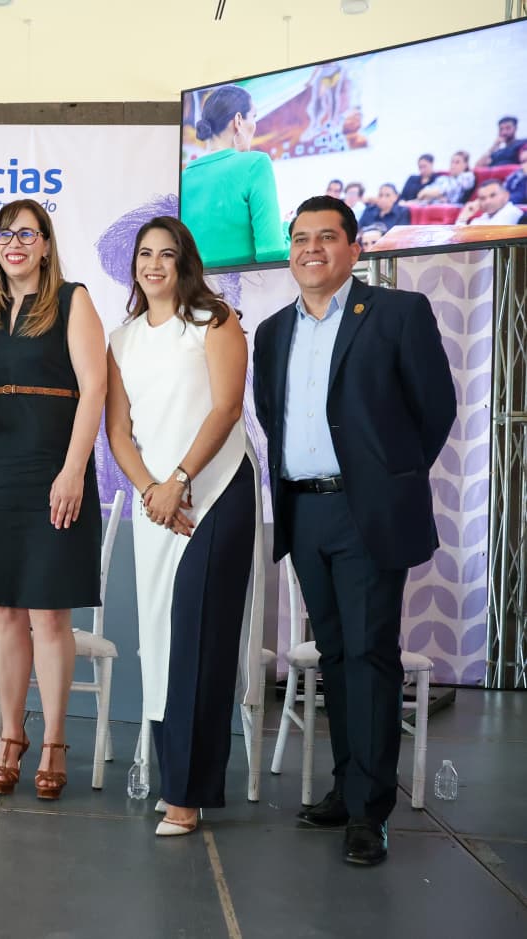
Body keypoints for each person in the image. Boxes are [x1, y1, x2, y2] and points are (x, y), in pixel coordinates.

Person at [253, 195, 456, 866]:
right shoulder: (272, 331)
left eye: (326, 237)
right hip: (304, 509)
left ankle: (370, 812)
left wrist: (389, 479)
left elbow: (434, 409)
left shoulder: (397, 313)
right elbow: (271, 413)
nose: (311, 249)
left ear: (354, 248)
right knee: (335, 654)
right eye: (300, 238)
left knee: (370, 654)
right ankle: (347, 787)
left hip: (366, 511)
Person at [106, 217, 260, 836]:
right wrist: (151, 489)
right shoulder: (121, 340)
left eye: (166, 254)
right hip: (157, 507)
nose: (154, 264)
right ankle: (174, 778)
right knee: (162, 640)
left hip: (214, 494)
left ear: (184, 262)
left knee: (201, 639)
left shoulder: (215, 321)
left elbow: (226, 406)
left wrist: (179, 479)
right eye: (145, 254)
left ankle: (187, 794)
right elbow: (118, 431)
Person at [0, 199, 107, 801]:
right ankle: (10, 738)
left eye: (27, 233)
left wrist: (73, 470)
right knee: (3, 613)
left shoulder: (73, 300)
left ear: (46, 243)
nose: (14, 243)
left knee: (49, 613)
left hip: (53, 466)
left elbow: (94, 389)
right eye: (4, 234)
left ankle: (53, 742)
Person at [181, 84, 288, 268]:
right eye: (254, 116)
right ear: (238, 120)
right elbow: (271, 253)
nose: (254, 125)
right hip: (248, 285)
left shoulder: (184, 177)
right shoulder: (256, 164)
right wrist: (287, 230)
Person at [456, 179, 526, 226]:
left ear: (506, 195)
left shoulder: (512, 212)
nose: (487, 202)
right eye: (483, 198)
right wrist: (463, 217)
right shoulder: (482, 218)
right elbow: (459, 240)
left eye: (493, 195)